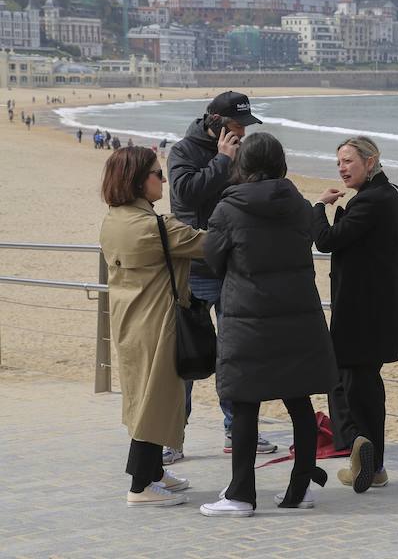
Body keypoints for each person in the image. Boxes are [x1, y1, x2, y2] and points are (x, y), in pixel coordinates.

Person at [199, 133, 338, 517]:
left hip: (249, 316)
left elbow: (213, 258)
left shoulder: (228, 208)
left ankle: (241, 495)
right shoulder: (298, 206)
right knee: (299, 400)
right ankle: (300, 488)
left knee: (245, 403)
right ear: (281, 164)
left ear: (241, 165)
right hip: (298, 314)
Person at [312, 136, 398, 494]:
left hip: (363, 313)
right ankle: (368, 460)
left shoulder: (373, 200)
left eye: (348, 161)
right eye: (339, 163)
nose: (342, 168)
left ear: (371, 160)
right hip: (379, 311)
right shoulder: (391, 194)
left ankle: (369, 459)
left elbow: (326, 240)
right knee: (360, 384)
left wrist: (318, 206)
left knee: (356, 385)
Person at [99, 146, 205, 508]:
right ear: (138, 181)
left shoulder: (114, 219)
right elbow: (210, 244)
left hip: (129, 320)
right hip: (157, 323)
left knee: (143, 397)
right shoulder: (154, 227)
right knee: (155, 400)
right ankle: (140, 484)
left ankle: (156, 474)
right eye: (157, 174)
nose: (163, 179)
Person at [167, 90, 269, 465]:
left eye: (245, 125)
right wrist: (223, 161)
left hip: (233, 265)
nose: (242, 132)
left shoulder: (240, 149)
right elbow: (186, 196)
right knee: (188, 356)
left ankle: (237, 431)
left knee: (235, 352)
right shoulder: (183, 152)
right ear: (214, 121)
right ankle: (172, 436)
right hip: (194, 270)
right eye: (236, 125)